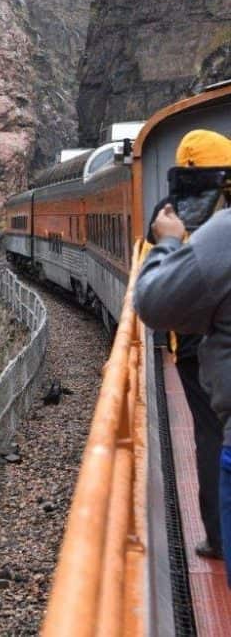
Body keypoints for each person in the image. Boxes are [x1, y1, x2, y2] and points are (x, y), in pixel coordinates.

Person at [134, 129, 231, 578]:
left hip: (198, 345)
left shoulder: (214, 231)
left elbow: (154, 301)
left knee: (211, 438)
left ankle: (217, 536)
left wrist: (169, 242)